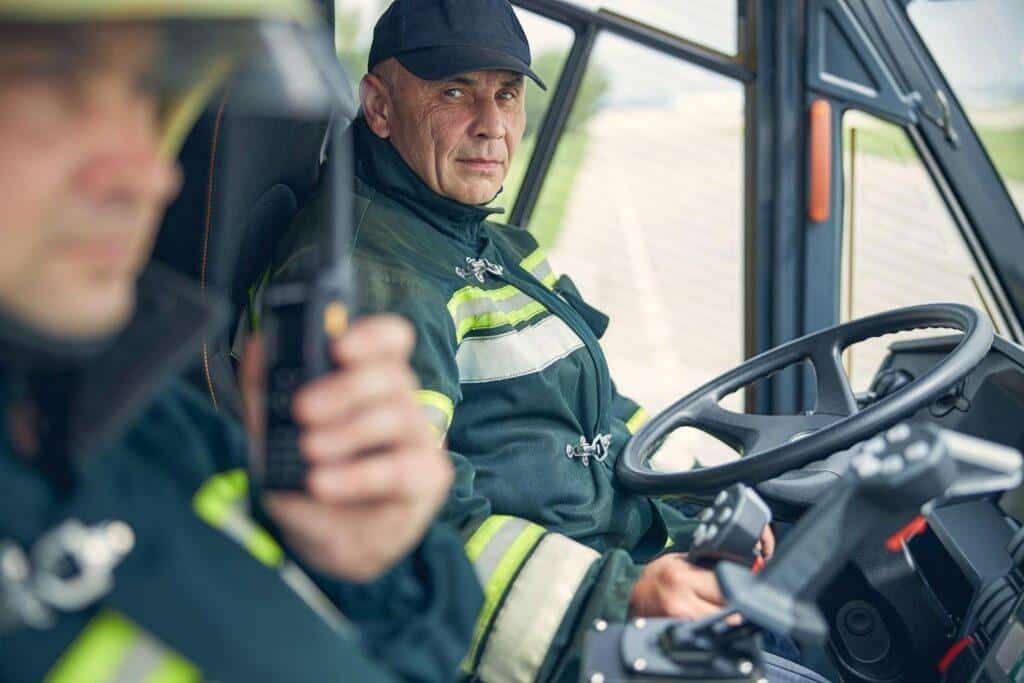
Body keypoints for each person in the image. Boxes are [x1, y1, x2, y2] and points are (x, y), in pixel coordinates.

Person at [261, 1, 793, 681]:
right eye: (455, 91)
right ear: (380, 107)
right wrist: (619, 599)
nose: (491, 126)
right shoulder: (373, 281)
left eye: (506, 94)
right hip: (555, 640)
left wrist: (696, 501)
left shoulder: (481, 239)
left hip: (621, 565)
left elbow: (593, 409)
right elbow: (390, 528)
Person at [0, 1, 481, 681]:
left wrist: (368, 573)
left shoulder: (145, 418)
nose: (152, 177)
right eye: (49, 80)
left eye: (149, 94)